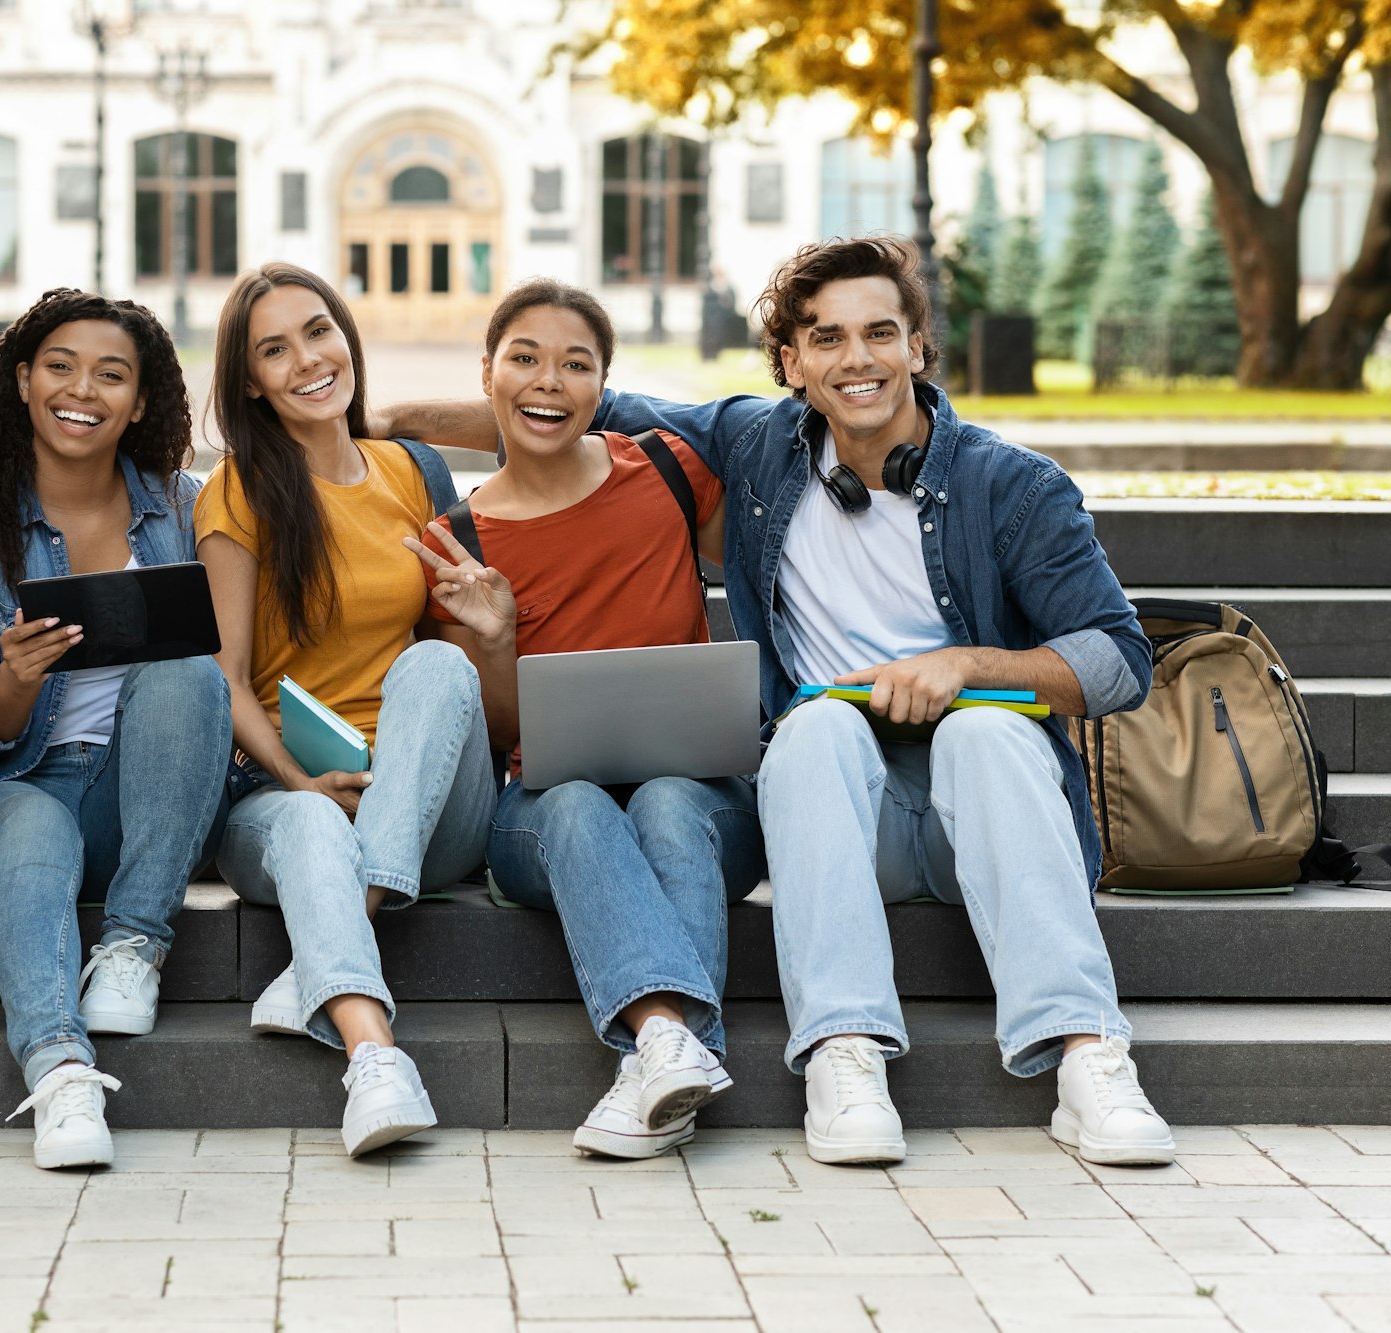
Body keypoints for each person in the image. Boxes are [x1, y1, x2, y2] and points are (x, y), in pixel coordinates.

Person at [377, 237, 1176, 1167]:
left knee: (990, 729)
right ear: (793, 364)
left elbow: (1120, 660)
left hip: (988, 824)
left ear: (919, 346)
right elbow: (557, 408)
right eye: (827, 339)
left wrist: (964, 664)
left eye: (882, 333)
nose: (858, 359)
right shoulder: (759, 448)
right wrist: (380, 414)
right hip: (839, 817)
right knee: (814, 724)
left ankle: (1088, 1056)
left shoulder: (1012, 484)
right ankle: (844, 1054)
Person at [412, 279, 765, 1160]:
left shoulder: (671, 470)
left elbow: (773, 565)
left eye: (577, 364)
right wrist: (494, 638)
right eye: (525, 357)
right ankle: (675, 1042)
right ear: (487, 372)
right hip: (541, 818)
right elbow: (497, 735)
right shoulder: (461, 540)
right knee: (573, 799)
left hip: (705, 797)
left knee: (669, 803)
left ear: (602, 384)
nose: (549, 382)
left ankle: (660, 1055)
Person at [0, 289, 230, 1169]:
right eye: (60, 366)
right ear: (21, 380)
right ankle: (58, 1071)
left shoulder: (183, 506)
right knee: (33, 821)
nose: (81, 389)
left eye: (111, 375)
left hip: (141, 797)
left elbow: (223, 678)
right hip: (9, 792)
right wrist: (13, 672)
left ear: (138, 400)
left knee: (186, 662)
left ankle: (134, 942)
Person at [195, 262, 494, 1157]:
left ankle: (340, 928)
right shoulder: (239, 491)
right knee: (314, 828)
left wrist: (489, 629)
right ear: (250, 379)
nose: (308, 360)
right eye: (275, 350)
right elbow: (227, 676)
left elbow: (452, 675)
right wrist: (304, 785)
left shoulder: (410, 471)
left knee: (439, 663)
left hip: (425, 798)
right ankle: (375, 1063)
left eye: (319, 331)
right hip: (288, 795)